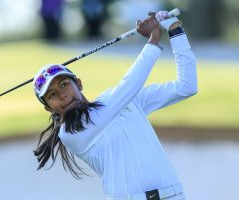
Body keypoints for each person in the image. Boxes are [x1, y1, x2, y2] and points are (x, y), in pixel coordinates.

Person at [33, 10, 197, 200]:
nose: (62, 95)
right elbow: (127, 88)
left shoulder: (121, 99)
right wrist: (153, 39)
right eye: (52, 94)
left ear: (78, 83)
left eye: (64, 84)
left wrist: (175, 31)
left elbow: (186, 86)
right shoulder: (70, 132)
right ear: (48, 107)